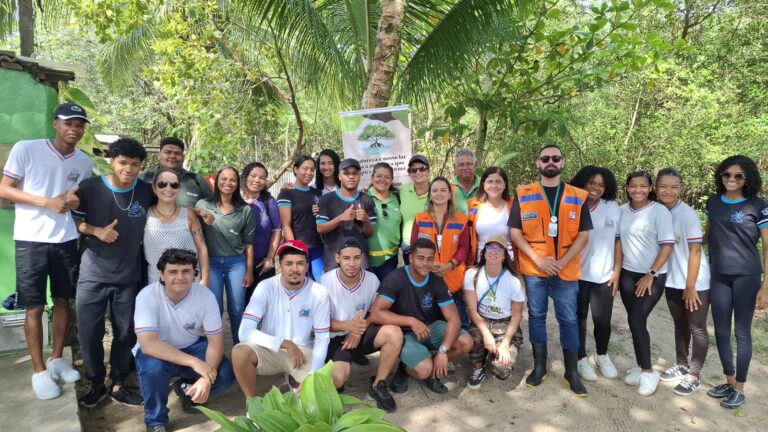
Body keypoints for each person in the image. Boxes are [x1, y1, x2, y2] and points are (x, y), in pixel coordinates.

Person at [0, 103, 93, 399]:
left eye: (79, 125)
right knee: (34, 307)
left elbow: (74, 199)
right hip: (30, 239)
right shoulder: (27, 149)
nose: (74, 129)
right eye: (68, 123)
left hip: (65, 240)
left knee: (64, 301)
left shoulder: (84, 162)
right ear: (55, 123)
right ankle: (39, 372)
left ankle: (56, 361)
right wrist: (46, 202)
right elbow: (4, 189)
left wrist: (73, 204)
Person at [73, 138, 154, 407]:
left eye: (134, 164)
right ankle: (96, 383)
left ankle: (119, 382)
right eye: (123, 163)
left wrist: (199, 211)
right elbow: (73, 221)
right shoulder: (90, 187)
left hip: (129, 277)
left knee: (125, 333)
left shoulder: (145, 191)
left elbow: (169, 207)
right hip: (92, 274)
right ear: (111, 161)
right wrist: (97, 231)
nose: (128, 169)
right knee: (90, 334)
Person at [508, 144, 592, 396]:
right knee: (536, 317)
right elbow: (515, 233)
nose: (550, 162)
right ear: (538, 164)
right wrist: (539, 260)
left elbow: (584, 235)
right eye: (545, 158)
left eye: (556, 158)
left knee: (568, 319)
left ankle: (571, 372)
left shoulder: (579, 195)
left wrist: (562, 262)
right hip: (535, 269)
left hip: (565, 272)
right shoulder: (523, 193)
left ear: (563, 162)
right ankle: (539, 368)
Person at [133, 249, 235, 432]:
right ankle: (156, 420)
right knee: (152, 370)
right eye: (173, 272)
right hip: (158, 352)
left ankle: (186, 389)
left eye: (186, 271)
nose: (180, 277)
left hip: (191, 346)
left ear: (194, 274)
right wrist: (196, 363)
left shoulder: (205, 296)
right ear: (162, 275)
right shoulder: (147, 296)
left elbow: (215, 341)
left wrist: (206, 378)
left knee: (225, 374)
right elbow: (148, 344)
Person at [369, 238, 473, 394]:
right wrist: (410, 321)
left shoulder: (436, 280)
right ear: (410, 258)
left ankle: (431, 369)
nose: (425, 263)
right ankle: (407, 366)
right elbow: (376, 313)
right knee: (423, 369)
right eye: (420, 258)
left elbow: (454, 319)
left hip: (429, 327)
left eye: (430, 259)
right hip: (403, 332)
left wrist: (443, 351)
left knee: (466, 341)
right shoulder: (396, 278)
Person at [704, 155, 768, 409]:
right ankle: (729, 382)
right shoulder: (713, 203)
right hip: (718, 275)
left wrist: (766, 286)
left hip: (747, 277)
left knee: (741, 332)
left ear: (747, 178)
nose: (731, 179)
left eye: (738, 176)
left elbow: (767, 247)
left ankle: (740, 387)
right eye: (727, 175)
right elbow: (707, 237)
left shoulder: (758, 206)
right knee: (720, 331)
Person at [231, 240, 330, 398]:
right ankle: (254, 405)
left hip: (302, 351)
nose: (294, 269)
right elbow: (244, 332)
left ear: (307, 266)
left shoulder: (319, 292)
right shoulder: (266, 286)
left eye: (300, 263)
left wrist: (313, 373)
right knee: (239, 352)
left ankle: (295, 380)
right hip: (270, 349)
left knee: (321, 388)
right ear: (280, 266)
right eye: (288, 263)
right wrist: (284, 343)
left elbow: (322, 337)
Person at [320, 238, 403, 412]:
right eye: (346, 258)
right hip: (335, 339)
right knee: (338, 378)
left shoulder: (372, 279)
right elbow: (320, 324)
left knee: (394, 333)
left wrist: (358, 330)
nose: (352, 263)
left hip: (360, 332)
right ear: (337, 258)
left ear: (362, 258)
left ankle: (378, 384)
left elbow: (376, 312)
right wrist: (349, 327)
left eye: (356, 258)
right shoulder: (325, 282)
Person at [615, 170, 674, 397]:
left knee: (636, 318)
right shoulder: (622, 211)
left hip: (653, 276)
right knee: (635, 321)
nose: (637, 190)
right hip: (628, 274)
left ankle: (650, 372)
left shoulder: (659, 212)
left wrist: (651, 273)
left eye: (642, 186)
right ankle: (641, 366)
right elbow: (618, 242)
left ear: (650, 188)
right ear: (627, 188)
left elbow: (667, 245)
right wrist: (617, 272)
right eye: (632, 186)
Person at [654, 168, 711, 397]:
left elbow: (695, 252)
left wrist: (691, 286)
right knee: (679, 323)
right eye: (663, 186)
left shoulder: (687, 215)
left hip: (695, 281)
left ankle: (694, 375)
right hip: (672, 280)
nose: (668, 191)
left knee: (696, 327)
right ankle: (682, 364)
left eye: (674, 187)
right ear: (655, 188)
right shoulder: (658, 211)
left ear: (680, 189)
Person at [569, 166, 621, 381]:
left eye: (600, 184)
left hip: (604, 275)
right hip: (576, 274)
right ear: (582, 183)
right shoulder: (572, 205)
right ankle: (581, 358)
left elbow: (618, 240)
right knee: (579, 319)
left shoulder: (612, 207)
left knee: (602, 321)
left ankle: (602, 355)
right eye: (591, 183)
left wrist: (617, 270)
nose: (596, 188)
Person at [195, 167, 255, 345]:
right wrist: (199, 212)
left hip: (236, 263)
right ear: (216, 181)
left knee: (237, 309)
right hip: (210, 263)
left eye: (232, 180)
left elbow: (249, 244)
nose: (228, 183)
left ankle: (240, 348)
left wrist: (249, 270)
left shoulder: (245, 210)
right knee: (214, 309)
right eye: (223, 179)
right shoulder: (203, 204)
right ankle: (215, 349)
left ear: (238, 184)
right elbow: (186, 212)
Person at [464, 235, 525, 389]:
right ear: (483, 253)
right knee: (475, 338)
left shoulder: (514, 280)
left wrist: (505, 343)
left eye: (499, 249)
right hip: (481, 321)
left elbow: (517, 315)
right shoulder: (472, 274)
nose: (494, 252)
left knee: (502, 370)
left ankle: (495, 352)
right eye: (490, 248)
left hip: (505, 324)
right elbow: (471, 309)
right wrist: (486, 335)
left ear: (505, 256)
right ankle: (478, 367)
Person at [410, 177, 471, 330]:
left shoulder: (461, 220)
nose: (439, 193)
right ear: (430, 194)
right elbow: (414, 246)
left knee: (459, 323)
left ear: (450, 194)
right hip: (428, 277)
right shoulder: (419, 219)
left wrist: (449, 265)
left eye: (443, 190)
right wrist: (429, 265)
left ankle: (460, 349)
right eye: (435, 190)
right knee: (432, 323)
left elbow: (464, 247)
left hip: (453, 277)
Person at [143, 168, 209, 286]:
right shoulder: (145, 216)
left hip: (188, 284)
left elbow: (201, 247)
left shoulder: (189, 215)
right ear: (154, 188)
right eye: (162, 184)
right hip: (155, 285)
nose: (168, 189)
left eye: (174, 185)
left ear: (179, 189)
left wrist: (205, 279)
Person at [316, 158, 377, 272]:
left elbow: (370, 233)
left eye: (355, 173)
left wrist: (366, 220)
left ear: (360, 176)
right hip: (333, 263)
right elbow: (320, 228)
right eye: (346, 173)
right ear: (339, 176)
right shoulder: (326, 199)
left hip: (360, 264)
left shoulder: (367, 200)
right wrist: (340, 218)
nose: (351, 176)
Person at [277, 155, 324, 281]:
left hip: (318, 248)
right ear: (296, 169)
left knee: (321, 282)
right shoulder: (286, 193)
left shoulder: (318, 193)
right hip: (299, 247)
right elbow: (285, 225)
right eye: (305, 169)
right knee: (302, 283)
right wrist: (295, 250)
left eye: (312, 170)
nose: (309, 172)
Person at [241, 162, 281, 300]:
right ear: (245, 177)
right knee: (240, 308)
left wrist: (270, 258)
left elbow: (277, 230)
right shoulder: (235, 201)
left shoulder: (268, 201)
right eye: (253, 176)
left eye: (262, 177)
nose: (257, 180)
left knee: (266, 306)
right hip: (238, 265)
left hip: (263, 265)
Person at [139, 137, 213, 208]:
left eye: (177, 153)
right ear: (159, 155)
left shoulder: (197, 180)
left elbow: (213, 206)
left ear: (183, 158)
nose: (172, 156)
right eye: (167, 152)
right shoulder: (143, 178)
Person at [466, 166, 514, 265]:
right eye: (490, 181)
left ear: (505, 184)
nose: (494, 185)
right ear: (483, 184)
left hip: (509, 263)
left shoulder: (514, 205)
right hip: (481, 263)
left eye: (498, 181)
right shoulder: (473, 206)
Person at [366, 162, 402, 282]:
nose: (383, 180)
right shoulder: (363, 197)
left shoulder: (397, 198)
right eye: (379, 176)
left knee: (387, 295)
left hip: (390, 259)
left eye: (387, 177)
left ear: (392, 180)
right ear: (372, 178)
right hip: (366, 260)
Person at [399, 155, 430, 264]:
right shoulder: (403, 191)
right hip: (408, 246)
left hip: (429, 246)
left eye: (422, 169)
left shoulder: (436, 191)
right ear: (409, 173)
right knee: (411, 279)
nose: (418, 172)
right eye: (413, 170)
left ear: (428, 171)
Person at [450, 148, 481, 214]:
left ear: (475, 165)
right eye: (461, 165)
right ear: (455, 167)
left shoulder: (485, 185)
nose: (465, 168)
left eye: (469, 164)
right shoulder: (448, 188)